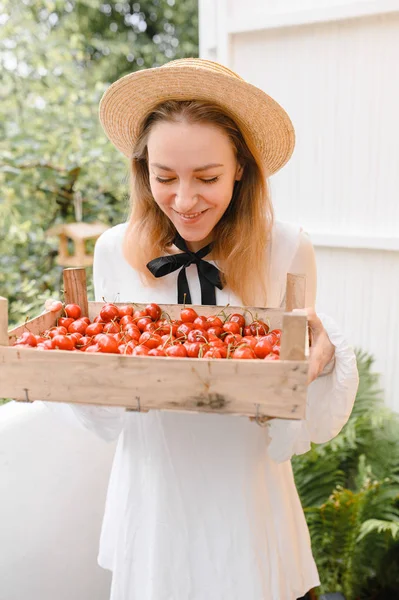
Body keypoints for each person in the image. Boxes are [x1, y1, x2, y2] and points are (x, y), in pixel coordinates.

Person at [51, 59, 359, 599]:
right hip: (156, 492)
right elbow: (104, 416)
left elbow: (292, 423)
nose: (185, 201)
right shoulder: (111, 253)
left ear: (240, 167)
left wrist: (318, 362)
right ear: (142, 169)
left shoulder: (287, 249)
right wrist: (73, 360)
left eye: (208, 177)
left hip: (247, 493)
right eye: (164, 177)